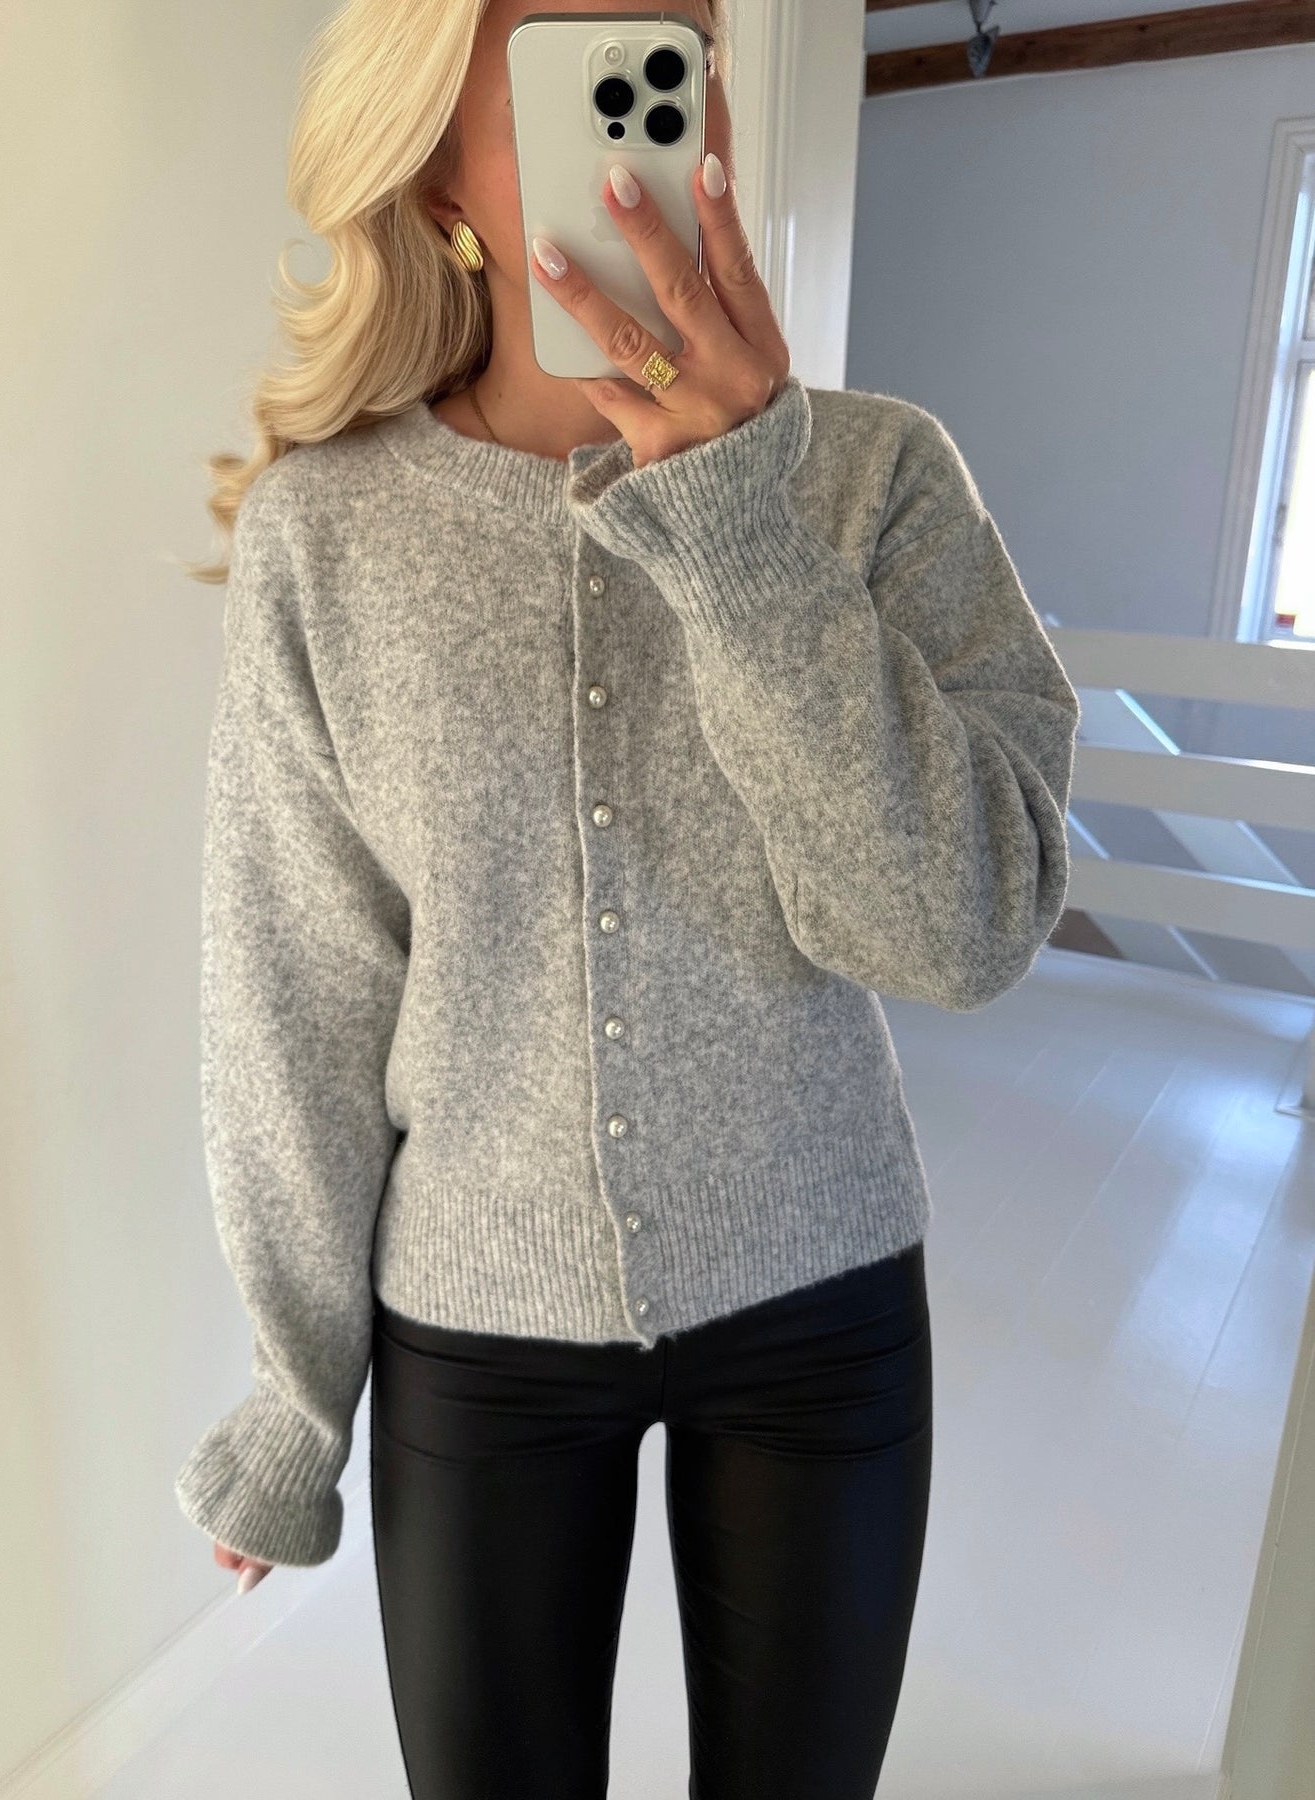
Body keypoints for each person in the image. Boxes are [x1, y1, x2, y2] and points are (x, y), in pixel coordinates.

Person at [174, 0, 1081, 1793]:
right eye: (567, 71)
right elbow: (295, 994)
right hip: (478, 1325)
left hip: (822, 1292)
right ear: (437, 161)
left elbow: (966, 927)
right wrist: (295, 1391)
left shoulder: (879, 477)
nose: (646, 125)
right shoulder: (325, 535)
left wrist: (741, 526)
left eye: (680, 57)